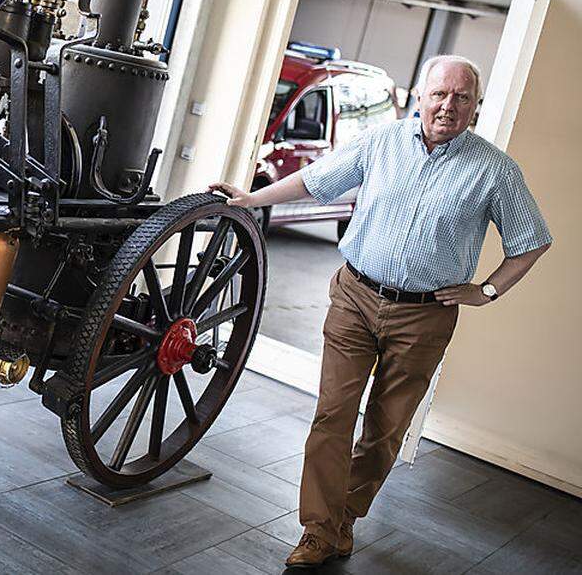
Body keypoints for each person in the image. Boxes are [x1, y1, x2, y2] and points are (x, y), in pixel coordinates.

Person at [209, 55, 552, 568]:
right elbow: (314, 181)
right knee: (332, 415)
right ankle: (319, 531)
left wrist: (487, 291)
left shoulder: (495, 171)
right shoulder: (380, 142)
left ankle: (344, 515)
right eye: (439, 94)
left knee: (385, 430)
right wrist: (251, 198)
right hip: (355, 295)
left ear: (475, 108)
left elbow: (532, 241)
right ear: (419, 96)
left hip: (424, 317)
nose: (448, 106)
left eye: (461, 98)